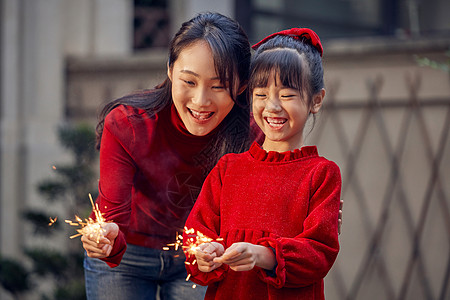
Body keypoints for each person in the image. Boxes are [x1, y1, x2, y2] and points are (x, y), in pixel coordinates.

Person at [80, 12, 257, 300]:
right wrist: (105, 237)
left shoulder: (252, 136)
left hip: (203, 258)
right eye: (189, 81)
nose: (201, 101)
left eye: (218, 86)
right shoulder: (129, 123)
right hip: (127, 260)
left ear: (241, 87)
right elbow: (112, 216)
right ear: (171, 71)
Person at [183, 28, 341, 300]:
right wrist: (204, 253)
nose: (273, 107)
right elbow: (195, 234)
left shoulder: (322, 174)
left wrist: (264, 255)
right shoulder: (227, 169)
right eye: (261, 94)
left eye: (288, 95)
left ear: (316, 100)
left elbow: (319, 251)